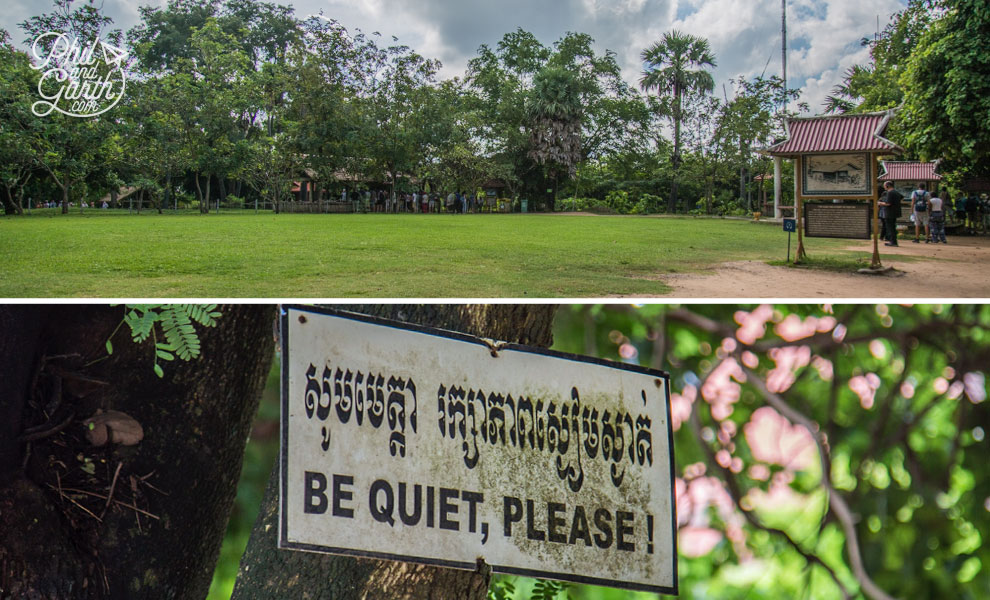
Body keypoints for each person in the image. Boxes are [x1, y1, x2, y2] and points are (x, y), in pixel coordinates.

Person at [879, 181, 902, 246]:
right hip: (895, 212)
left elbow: (888, 203)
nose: (884, 187)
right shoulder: (896, 192)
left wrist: (880, 203)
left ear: (887, 186)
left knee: (890, 227)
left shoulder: (890, 193)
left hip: (889, 212)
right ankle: (893, 240)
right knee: (892, 227)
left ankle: (893, 242)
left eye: (884, 186)